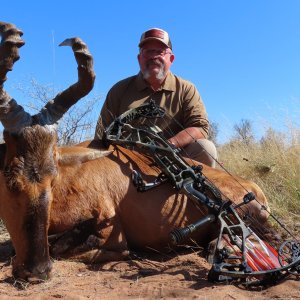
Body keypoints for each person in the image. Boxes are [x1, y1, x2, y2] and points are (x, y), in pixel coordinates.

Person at [94, 28, 218, 167]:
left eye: (159, 52)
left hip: (173, 161)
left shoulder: (186, 89)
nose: (153, 57)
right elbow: (101, 134)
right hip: (125, 164)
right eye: (148, 52)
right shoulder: (119, 90)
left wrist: (167, 145)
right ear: (139, 58)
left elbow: (199, 127)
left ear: (171, 59)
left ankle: (189, 189)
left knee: (206, 149)